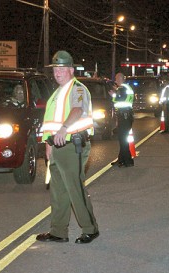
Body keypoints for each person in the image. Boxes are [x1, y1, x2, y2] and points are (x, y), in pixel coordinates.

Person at [36, 50, 99, 244]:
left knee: (74, 188)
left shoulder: (77, 88)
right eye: (55, 69)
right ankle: (58, 231)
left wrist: (64, 129)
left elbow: (78, 110)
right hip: (57, 147)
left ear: (71, 70)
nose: (58, 72)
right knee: (58, 191)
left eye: (62, 68)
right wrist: (48, 144)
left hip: (73, 145)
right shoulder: (57, 93)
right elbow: (51, 122)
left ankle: (90, 229)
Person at [110, 72, 134, 168]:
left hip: (124, 116)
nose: (115, 81)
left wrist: (113, 95)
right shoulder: (128, 88)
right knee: (123, 139)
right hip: (127, 115)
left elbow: (120, 99)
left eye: (116, 79)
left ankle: (127, 161)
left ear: (120, 79)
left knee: (123, 139)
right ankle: (121, 159)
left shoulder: (122, 88)